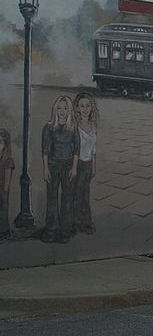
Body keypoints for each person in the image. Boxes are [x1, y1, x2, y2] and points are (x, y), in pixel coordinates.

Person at [41, 96, 80, 243]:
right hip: (52, 165)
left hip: (68, 166)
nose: (62, 111)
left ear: (69, 110)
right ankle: (51, 229)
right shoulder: (49, 127)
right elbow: (44, 149)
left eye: (65, 108)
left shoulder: (73, 127)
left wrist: (74, 168)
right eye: (59, 108)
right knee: (52, 197)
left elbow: (77, 149)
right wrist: (45, 169)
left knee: (67, 198)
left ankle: (65, 230)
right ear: (55, 109)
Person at [73, 92, 98, 234]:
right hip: (78, 165)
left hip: (88, 165)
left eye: (88, 105)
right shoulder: (75, 127)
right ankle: (80, 222)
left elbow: (94, 149)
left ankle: (84, 221)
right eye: (82, 106)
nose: (85, 108)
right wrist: (74, 167)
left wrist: (94, 166)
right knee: (78, 195)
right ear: (77, 108)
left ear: (91, 107)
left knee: (85, 194)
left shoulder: (93, 126)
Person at [0, 128, 14, 241]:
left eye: (0, 142)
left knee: (3, 209)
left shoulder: (7, 159)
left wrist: (5, 187)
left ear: (5, 144)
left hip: (2, 189)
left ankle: (4, 230)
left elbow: (7, 177)